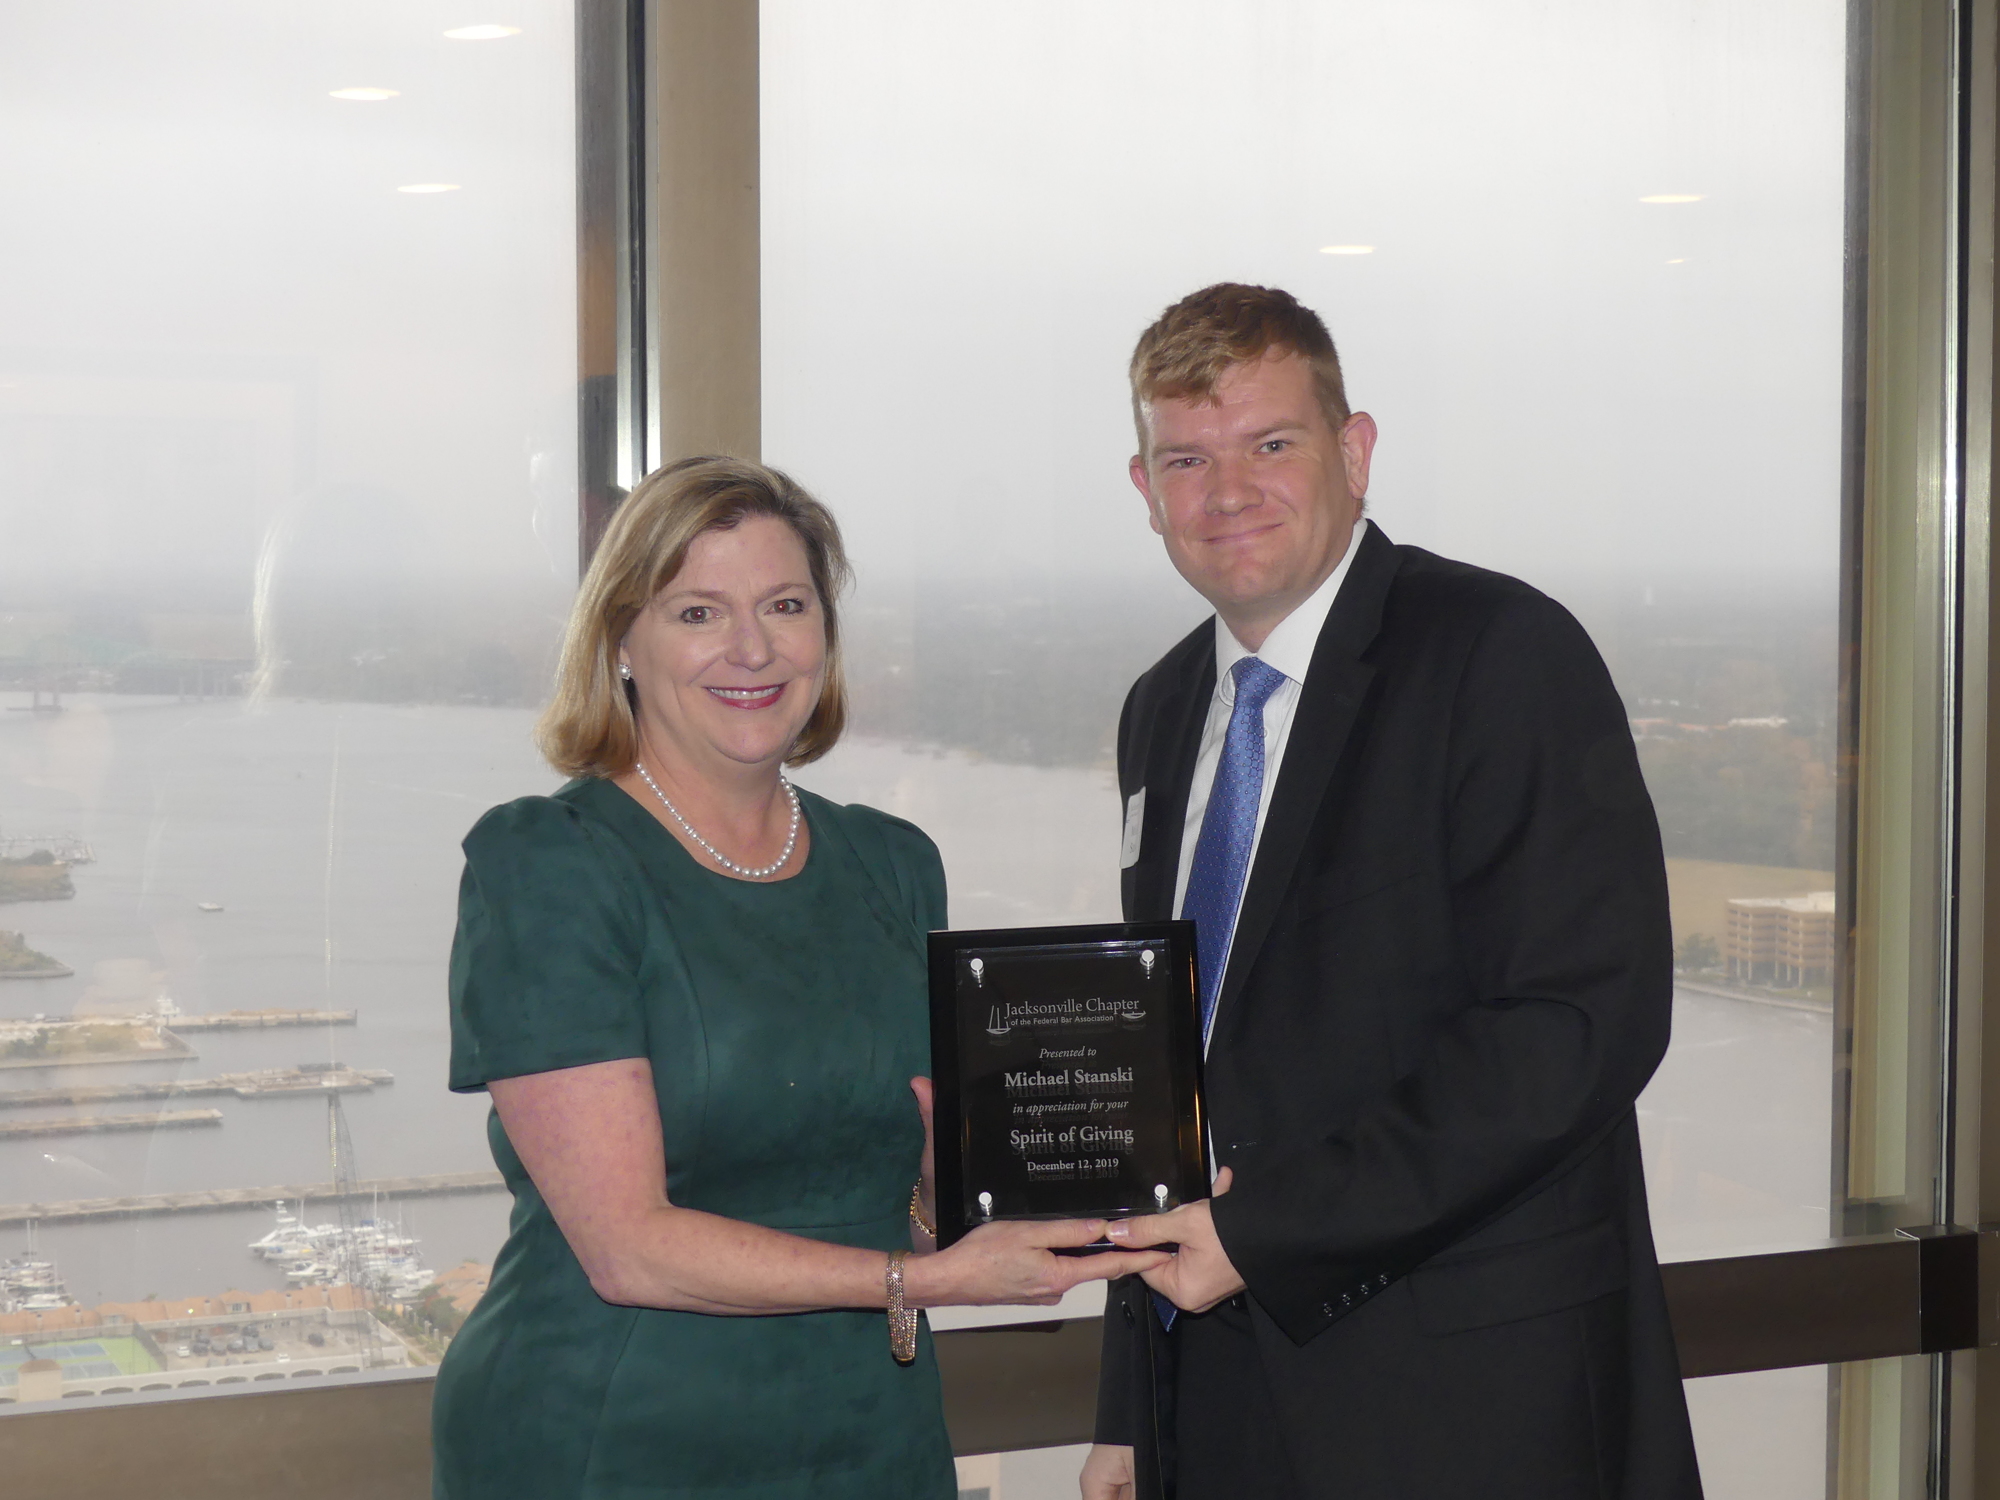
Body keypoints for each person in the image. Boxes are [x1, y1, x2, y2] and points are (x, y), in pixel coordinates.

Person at [431, 455, 1165, 1500]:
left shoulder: (892, 864)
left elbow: (906, 1205)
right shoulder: (548, 865)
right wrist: (925, 1277)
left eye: (785, 604)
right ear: (621, 642)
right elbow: (626, 1250)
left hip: (870, 1429)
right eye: (696, 612)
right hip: (614, 1436)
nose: (751, 648)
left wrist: (1015, 1175)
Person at [1081, 286, 1703, 1500]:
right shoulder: (1159, 713)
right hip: (1214, 1398)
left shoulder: (1500, 653)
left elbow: (1576, 1026)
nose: (1226, 492)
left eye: (1271, 445)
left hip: (1466, 1406)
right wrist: (1126, 1407)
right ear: (1143, 489)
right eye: (1185, 460)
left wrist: (1261, 1233)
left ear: (1353, 452)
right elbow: (1175, 1071)